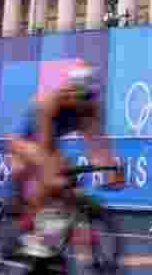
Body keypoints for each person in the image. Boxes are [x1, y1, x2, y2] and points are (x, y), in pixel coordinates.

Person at [9, 64, 122, 258]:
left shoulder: (92, 107)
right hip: (25, 140)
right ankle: (33, 235)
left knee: (69, 185)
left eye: (89, 97)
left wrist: (112, 169)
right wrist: (53, 175)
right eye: (82, 98)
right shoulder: (49, 103)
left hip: (50, 142)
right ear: (71, 91)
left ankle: (53, 235)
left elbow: (99, 145)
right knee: (52, 177)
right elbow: (44, 152)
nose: (85, 104)